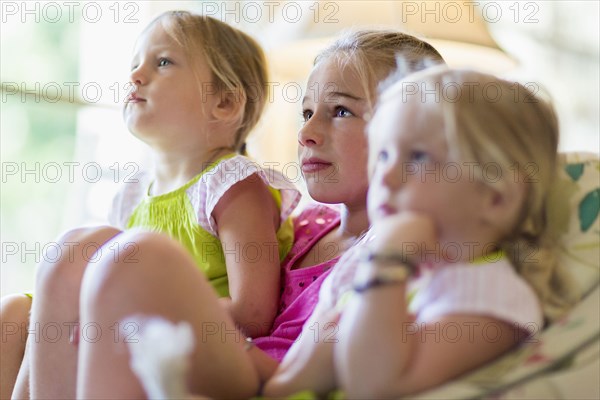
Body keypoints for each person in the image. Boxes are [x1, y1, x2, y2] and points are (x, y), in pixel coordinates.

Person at [70, 30, 444, 399]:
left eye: (341, 111)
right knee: (75, 255)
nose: (307, 133)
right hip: (222, 366)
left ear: (413, 135)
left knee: (141, 260)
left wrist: (177, 313)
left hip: (269, 380)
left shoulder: (395, 257)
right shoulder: (302, 229)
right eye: (307, 113)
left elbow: (315, 375)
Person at [5, 10, 301, 399]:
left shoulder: (231, 183)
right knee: (11, 314)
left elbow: (253, 314)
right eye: (135, 64)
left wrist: (123, 313)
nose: (136, 75)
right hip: (135, 331)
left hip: (205, 347)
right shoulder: (131, 195)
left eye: (163, 62)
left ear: (225, 103)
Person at [264, 67, 580, 398]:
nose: (384, 178)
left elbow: (374, 386)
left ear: (496, 197)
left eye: (417, 157)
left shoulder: (493, 296)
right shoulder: (410, 273)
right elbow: (289, 381)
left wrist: (383, 263)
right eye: (383, 155)